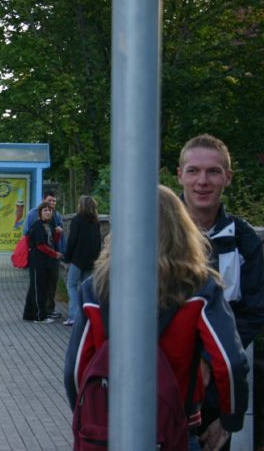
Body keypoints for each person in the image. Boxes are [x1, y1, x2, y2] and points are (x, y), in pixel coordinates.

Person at [64, 186, 249, 449]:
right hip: (176, 429)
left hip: (108, 429)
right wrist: (230, 420)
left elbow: (74, 369)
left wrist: (86, 415)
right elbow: (230, 362)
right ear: (181, 227)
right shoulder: (199, 288)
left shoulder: (96, 289)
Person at [177, 134, 264, 448]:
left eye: (213, 171)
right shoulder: (152, 233)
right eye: (194, 171)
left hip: (216, 391)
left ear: (227, 177)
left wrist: (226, 419)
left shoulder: (244, 241)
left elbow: (252, 314)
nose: (202, 181)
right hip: (162, 389)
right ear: (180, 175)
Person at [62, 195, 102, 326]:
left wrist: (66, 257)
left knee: (71, 285)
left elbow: (72, 240)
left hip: (77, 259)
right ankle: (85, 316)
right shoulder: (96, 222)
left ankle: (74, 315)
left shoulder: (77, 220)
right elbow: (98, 241)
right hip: (91, 260)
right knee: (85, 287)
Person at [24, 190, 65, 318]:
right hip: (40, 259)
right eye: (49, 202)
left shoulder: (54, 218)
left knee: (49, 284)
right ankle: (38, 314)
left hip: (50, 258)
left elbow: (52, 239)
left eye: (53, 202)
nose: (50, 207)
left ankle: (45, 310)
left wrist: (58, 234)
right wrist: (53, 254)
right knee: (37, 287)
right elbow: (39, 243)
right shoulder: (36, 221)